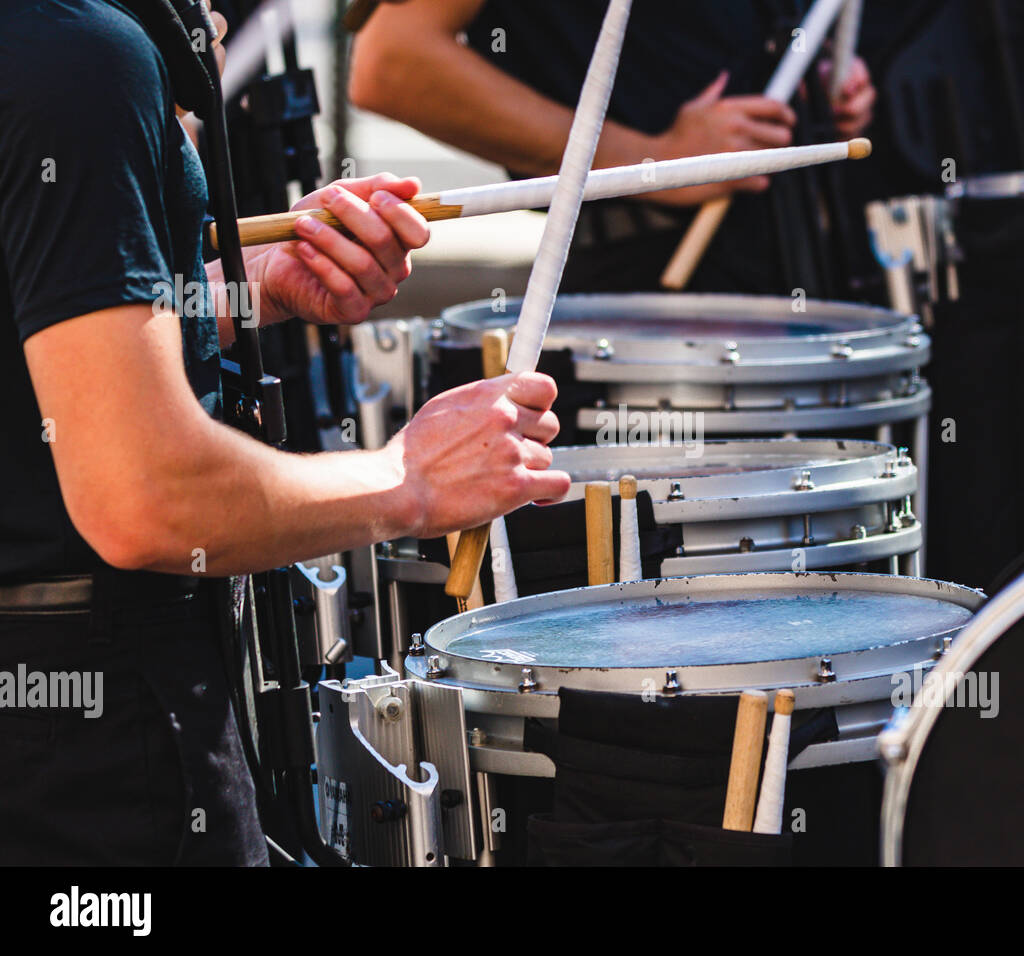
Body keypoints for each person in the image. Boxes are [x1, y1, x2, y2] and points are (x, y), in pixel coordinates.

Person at [0, 0, 567, 865]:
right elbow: (147, 497)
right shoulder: (80, 62)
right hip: (91, 767)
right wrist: (407, 479)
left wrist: (236, 285)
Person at [350, 0, 876, 296]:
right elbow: (392, 61)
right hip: (651, 297)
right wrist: (649, 160)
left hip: (813, 262)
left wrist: (816, 72)